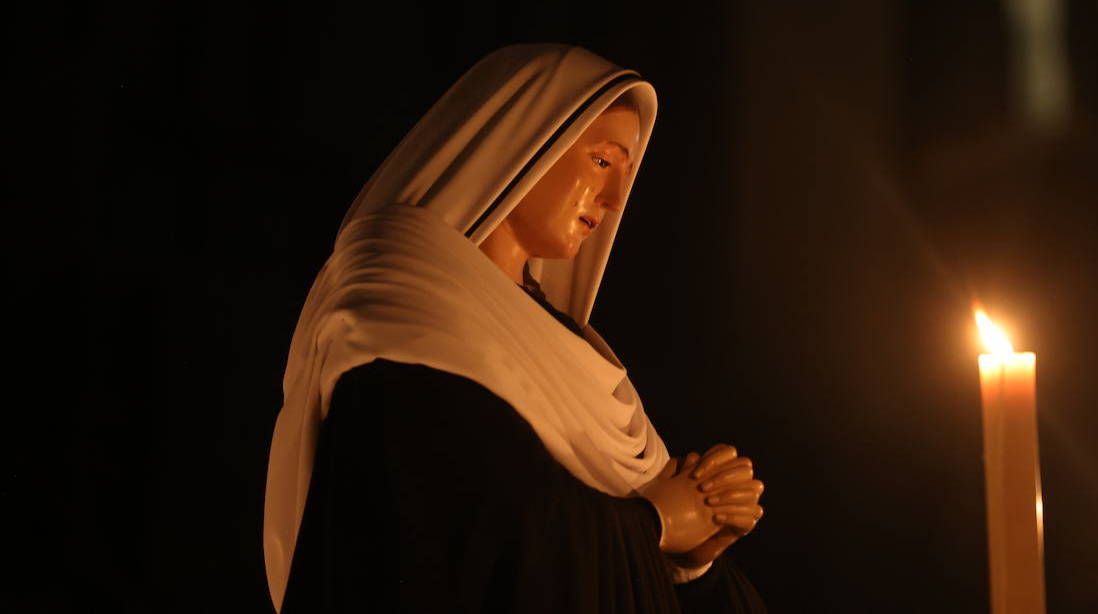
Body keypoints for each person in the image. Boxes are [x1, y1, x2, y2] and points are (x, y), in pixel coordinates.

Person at [263, 45, 766, 612]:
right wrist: (652, 524)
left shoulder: (566, 348)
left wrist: (690, 566)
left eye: (624, 174)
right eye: (602, 162)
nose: (616, 200)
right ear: (528, 142)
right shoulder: (405, 299)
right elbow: (460, 531)